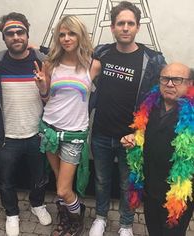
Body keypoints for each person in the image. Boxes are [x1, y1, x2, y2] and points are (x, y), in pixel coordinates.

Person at [88, 1, 166, 236]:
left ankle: (125, 224)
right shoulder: (101, 52)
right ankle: (100, 218)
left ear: (137, 27)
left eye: (130, 23)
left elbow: (157, 98)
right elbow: (74, 63)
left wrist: (140, 132)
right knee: (101, 180)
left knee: (127, 184)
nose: (125, 27)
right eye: (120, 23)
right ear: (112, 27)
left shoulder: (151, 59)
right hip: (101, 132)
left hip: (131, 137)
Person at [0, 12, 52, 236]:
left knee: (39, 177)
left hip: (37, 134)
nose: (15, 37)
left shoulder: (42, 60)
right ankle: (12, 213)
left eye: (20, 32)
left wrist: (40, 50)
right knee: (7, 181)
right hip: (8, 137)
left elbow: (64, 54)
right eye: (10, 33)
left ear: (27, 34)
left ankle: (37, 205)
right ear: (4, 37)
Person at [34, 15, 93, 236]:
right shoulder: (50, 64)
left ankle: (77, 218)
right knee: (60, 186)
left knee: (63, 188)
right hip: (49, 130)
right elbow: (47, 98)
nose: (67, 38)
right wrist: (41, 87)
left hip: (73, 135)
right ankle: (68, 219)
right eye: (62, 34)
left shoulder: (92, 64)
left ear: (80, 36)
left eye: (71, 33)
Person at [121, 62, 194, 236]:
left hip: (177, 196)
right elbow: (141, 136)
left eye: (177, 79)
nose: (169, 84)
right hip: (150, 189)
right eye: (165, 79)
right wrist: (133, 140)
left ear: (190, 83)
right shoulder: (149, 105)